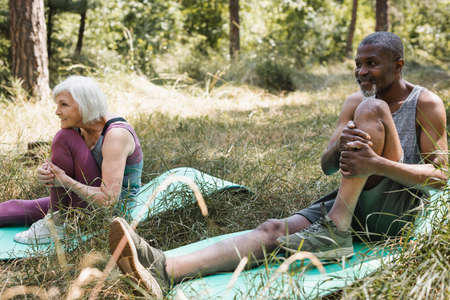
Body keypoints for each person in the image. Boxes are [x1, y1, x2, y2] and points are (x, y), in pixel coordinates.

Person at [108, 32, 448, 298]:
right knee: (272, 229)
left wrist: (377, 163)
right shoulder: (356, 102)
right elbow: (328, 166)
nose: (362, 72)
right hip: (349, 206)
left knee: (372, 109)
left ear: (398, 65)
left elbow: (440, 177)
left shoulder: (424, 103)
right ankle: (164, 269)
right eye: (358, 64)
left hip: (395, 210)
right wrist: (341, 146)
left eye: (372, 63)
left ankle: (337, 230)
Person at [0, 75, 143, 244]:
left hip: (112, 212)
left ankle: (59, 223)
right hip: (81, 199)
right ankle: (58, 216)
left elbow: (109, 200)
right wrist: (46, 173)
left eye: (64, 105)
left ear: (85, 105)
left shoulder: (116, 135)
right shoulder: (79, 129)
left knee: (63, 136)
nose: (57, 111)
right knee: (13, 209)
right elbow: (65, 168)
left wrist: (65, 181)